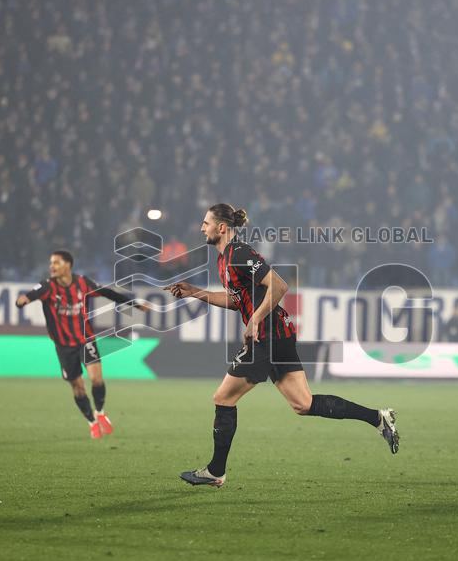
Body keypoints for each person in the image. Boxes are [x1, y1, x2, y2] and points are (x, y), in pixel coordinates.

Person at [166, 204, 399, 488]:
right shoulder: (223, 260)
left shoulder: (239, 253)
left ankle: (216, 471)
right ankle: (378, 418)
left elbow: (279, 285)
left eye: (206, 223)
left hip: (267, 336)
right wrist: (195, 292)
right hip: (278, 334)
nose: (202, 227)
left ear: (222, 228)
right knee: (303, 403)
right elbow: (236, 300)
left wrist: (254, 320)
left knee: (223, 398)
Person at [15, 250, 148, 438]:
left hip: (86, 340)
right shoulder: (48, 286)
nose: (52, 266)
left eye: (56, 263)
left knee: (97, 379)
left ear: (68, 265)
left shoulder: (83, 282)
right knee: (78, 387)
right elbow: (31, 295)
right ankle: (92, 422)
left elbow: (107, 292)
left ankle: (100, 413)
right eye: (51, 263)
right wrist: (22, 301)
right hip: (63, 346)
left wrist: (133, 303)